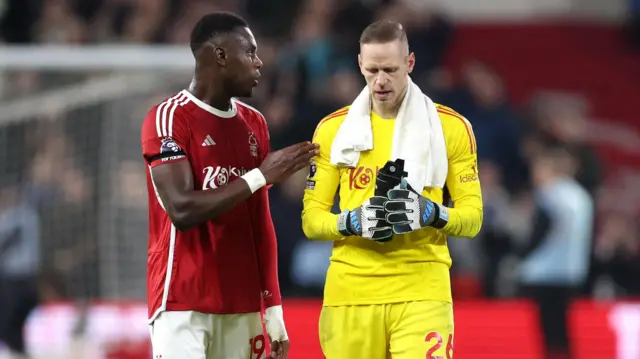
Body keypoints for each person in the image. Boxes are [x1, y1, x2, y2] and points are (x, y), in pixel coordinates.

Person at [140, 12, 318, 359]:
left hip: (243, 305)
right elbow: (181, 209)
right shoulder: (168, 118)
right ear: (220, 55)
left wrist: (274, 308)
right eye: (249, 52)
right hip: (182, 301)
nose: (259, 62)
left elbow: (259, 224)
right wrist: (259, 176)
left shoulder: (254, 124)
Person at [302, 20, 483, 359]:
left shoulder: (452, 128)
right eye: (372, 70)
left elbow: (472, 219)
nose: (380, 81)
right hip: (351, 292)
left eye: (390, 69)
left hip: (423, 288)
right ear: (359, 64)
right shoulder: (331, 131)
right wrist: (350, 222)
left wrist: (432, 213)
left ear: (410, 63)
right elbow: (312, 220)